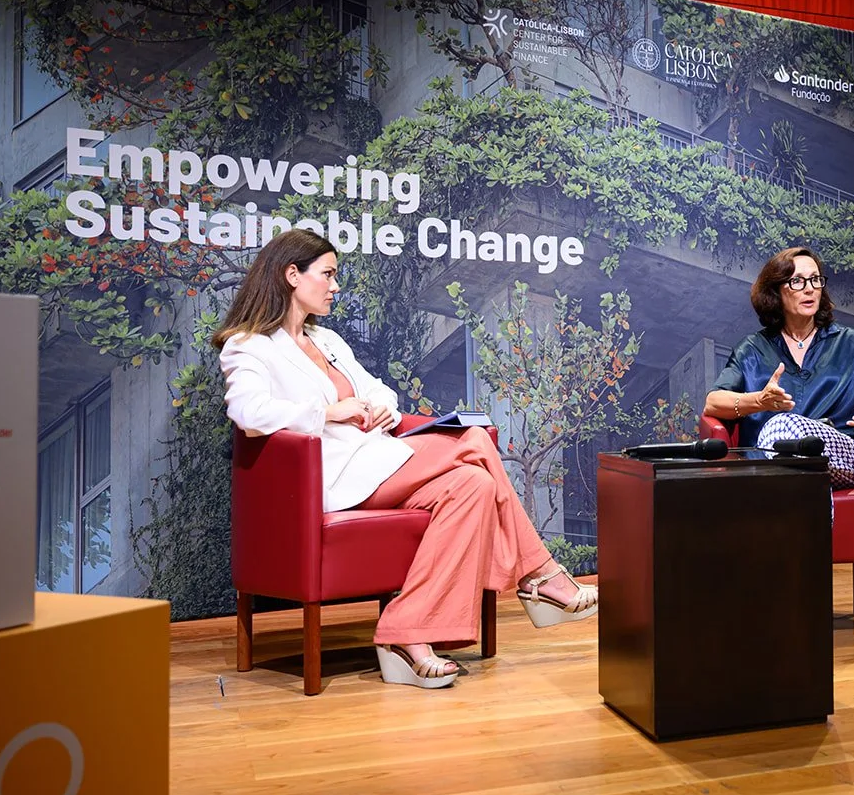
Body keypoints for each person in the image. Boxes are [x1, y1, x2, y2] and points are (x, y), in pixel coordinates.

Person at [212, 229, 597, 690]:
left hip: (376, 461)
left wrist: (380, 408)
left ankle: (405, 637)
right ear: (292, 275)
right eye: (328, 275)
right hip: (332, 479)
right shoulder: (248, 345)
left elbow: (378, 391)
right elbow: (249, 414)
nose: (336, 286)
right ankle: (542, 576)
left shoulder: (328, 340)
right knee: (472, 439)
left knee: (473, 486)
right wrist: (328, 411)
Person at [704, 246, 854, 488]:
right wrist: (759, 401)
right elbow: (713, 402)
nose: (810, 288)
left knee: (781, 426)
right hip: (774, 466)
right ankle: (812, 516)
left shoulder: (850, 343)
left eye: (815, 280)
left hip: (845, 459)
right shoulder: (752, 348)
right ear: (776, 292)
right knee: (791, 459)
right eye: (797, 281)